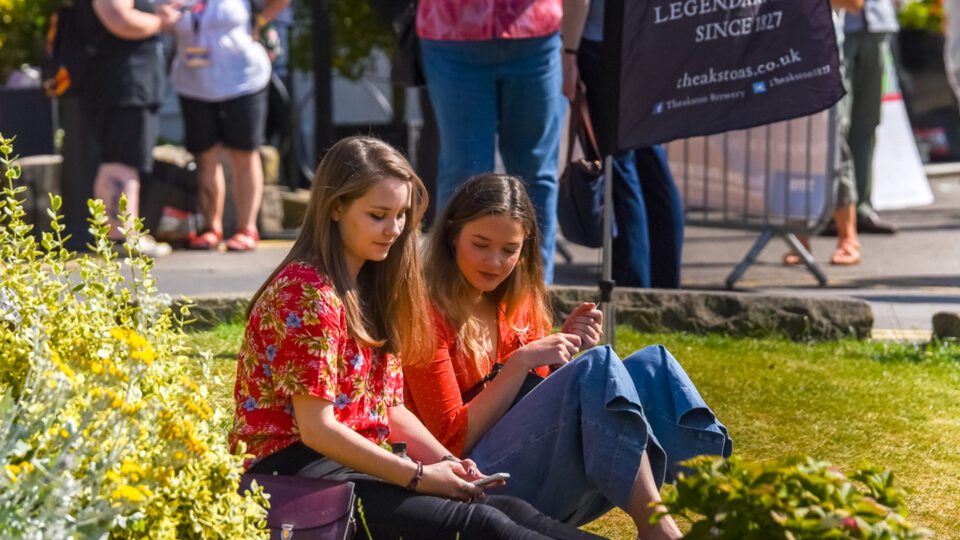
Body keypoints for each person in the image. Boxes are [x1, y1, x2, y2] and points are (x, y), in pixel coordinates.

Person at [228, 137, 607, 540]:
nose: (393, 230)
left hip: (357, 463)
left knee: (512, 510)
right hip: (293, 474)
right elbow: (317, 429)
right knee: (483, 525)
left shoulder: (375, 287)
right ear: (336, 207)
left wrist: (448, 462)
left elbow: (388, 408)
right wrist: (420, 476)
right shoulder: (305, 292)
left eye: (401, 215)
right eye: (378, 215)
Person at [403, 174, 732, 539]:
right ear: (451, 235)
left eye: (510, 250)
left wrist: (559, 355)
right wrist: (520, 364)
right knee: (597, 367)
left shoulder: (518, 300)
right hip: (469, 484)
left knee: (655, 367)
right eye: (481, 244)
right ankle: (657, 528)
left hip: (527, 467)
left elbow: (533, 403)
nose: (494, 262)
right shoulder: (425, 314)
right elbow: (449, 443)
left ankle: (729, 512)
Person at [417, 0, 566, 282]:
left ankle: (534, 295)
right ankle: (447, 296)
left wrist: (573, 50)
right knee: (463, 174)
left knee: (536, 172)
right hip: (451, 33)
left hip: (537, 33)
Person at [560, 0, 684, 288]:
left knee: (620, 170)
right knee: (648, 163)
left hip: (603, 44)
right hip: (645, 39)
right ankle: (663, 284)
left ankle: (632, 286)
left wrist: (570, 52)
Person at [169, 0, 289, 251]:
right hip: (193, 81)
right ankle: (211, 228)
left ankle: (247, 229)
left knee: (244, 152)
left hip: (243, 79)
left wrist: (261, 20)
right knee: (205, 155)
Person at [77, 0, 181, 256]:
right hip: (124, 84)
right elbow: (120, 19)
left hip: (130, 84)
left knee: (124, 159)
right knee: (122, 159)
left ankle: (120, 236)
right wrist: (160, 21)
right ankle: (121, 237)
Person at [785, 0, 865, 266]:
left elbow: (854, 4)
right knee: (789, 150)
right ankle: (800, 238)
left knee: (834, 149)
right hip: (782, 64)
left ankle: (848, 238)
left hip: (824, 65)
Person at [842, 0, 899, 235]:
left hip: (877, 23)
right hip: (837, 25)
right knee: (836, 122)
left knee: (867, 121)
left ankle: (861, 208)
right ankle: (832, 209)